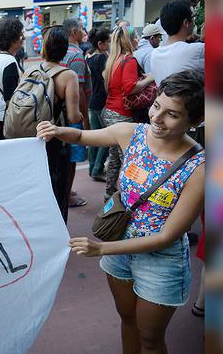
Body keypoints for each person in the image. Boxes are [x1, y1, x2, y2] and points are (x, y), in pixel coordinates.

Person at [37, 69, 205, 354]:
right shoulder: (132, 133)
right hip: (119, 249)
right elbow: (82, 136)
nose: (157, 119)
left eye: (172, 115)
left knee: (151, 339)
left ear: (195, 121)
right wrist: (56, 131)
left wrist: (101, 250)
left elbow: (166, 238)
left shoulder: (199, 168)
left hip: (160, 261)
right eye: (156, 106)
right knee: (127, 321)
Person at [101, 26, 154, 200]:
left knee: (115, 156)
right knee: (128, 158)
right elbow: (129, 88)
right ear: (128, 40)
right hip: (122, 114)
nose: (138, 41)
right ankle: (130, 198)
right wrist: (150, 78)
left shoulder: (112, 60)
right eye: (136, 38)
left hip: (109, 112)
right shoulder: (128, 60)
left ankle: (109, 195)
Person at [38, 25, 81, 222]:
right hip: (57, 141)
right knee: (59, 190)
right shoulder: (68, 75)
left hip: (35, 139)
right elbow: (73, 117)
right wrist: (81, 116)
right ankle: (59, 234)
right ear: (64, 49)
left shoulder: (31, 71)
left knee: (41, 189)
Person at [61, 18, 92, 208]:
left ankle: (66, 189)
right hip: (73, 114)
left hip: (59, 112)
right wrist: (85, 118)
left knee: (64, 157)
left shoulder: (61, 52)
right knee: (72, 158)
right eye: (81, 28)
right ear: (73, 31)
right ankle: (67, 195)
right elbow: (79, 92)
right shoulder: (77, 56)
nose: (84, 31)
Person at [150, 0, 205, 86]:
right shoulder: (197, 50)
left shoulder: (154, 54)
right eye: (193, 17)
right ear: (186, 23)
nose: (194, 22)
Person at [0, 18, 24, 140]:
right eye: (20, 35)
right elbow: (10, 97)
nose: (23, 38)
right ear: (12, 40)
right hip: (3, 117)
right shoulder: (10, 62)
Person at [86, 27, 111, 183]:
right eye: (108, 42)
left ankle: (92, 168)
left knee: (95, 136)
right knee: (106, 138)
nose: (109, 44)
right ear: (100, 44)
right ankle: (98, 169)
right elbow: (106, 79)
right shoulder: (101, 58)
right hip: (102, 101)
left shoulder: (88, 56)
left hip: (92, 100)